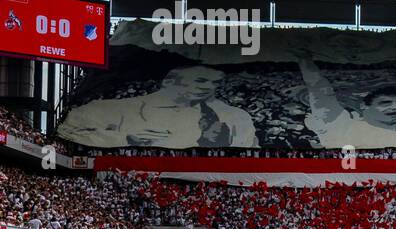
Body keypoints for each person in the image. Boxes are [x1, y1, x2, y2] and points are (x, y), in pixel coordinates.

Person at [58, 65, 257, 148]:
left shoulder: (233, 117)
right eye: (201, 80)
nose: (208, 88)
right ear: (169, 81)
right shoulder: (110, 109)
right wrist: (125, 138)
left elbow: (249, 149)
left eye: (215, 83)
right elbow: (66, 132)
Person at [297, 46, 396, 150]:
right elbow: (320, 90)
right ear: (363, 106)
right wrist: (304, 59)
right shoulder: (342, 127)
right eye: (385, 102)